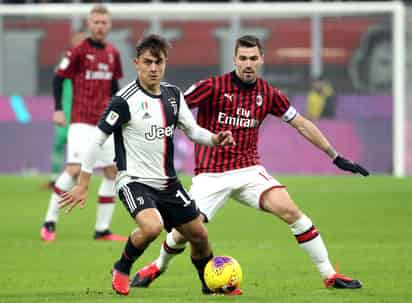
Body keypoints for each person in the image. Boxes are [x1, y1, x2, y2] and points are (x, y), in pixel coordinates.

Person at [131, 35, 369, 290]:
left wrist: (335, 156)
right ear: (234, 59)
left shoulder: (269, 94)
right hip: (211, 175)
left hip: (249, 171)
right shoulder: (212, 87)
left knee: (292, 212)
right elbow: (171, 108)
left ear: (261, 60)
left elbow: (301, 124)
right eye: (243, 58)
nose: (247, 64)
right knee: (185, 232)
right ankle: (158, 266)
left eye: (253, 58)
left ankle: (329, 275)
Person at [58, 34, 237, 296]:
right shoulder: (124, 99)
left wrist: (214, 138)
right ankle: (122, 266)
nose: (154, 68)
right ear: (137, 63)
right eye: (148, 62)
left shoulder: (173, 95)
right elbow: (97, 140)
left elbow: (193, 130)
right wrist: (83, 183)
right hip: (134, 181)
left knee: (199, 235)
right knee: (152, 227)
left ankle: (209, 284)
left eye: (159, 62)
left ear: (166, 63)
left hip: (168, 183)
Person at [40, 5, 126, 242]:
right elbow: (58, 78)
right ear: (89, 24)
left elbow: (113, 87)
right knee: (74, 170)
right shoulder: (78, 51)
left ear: (109, 25)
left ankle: (102, 230)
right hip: (81, 122)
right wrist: (58, 109)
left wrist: (120, 114)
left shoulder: (112, 53)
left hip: (104, 124)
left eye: (103, 22)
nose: (99, 26)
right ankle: (49, 221)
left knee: (111, 172)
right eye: (96, 22)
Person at [41, 31, 87, 190]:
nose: (80, 43)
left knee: (81, 147)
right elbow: (57, 83)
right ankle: (54, 179)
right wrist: (58, 109)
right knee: (60, 142)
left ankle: (77, 180)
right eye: (77, 40)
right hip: (66, 111)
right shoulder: (67, 61)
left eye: (83, 40)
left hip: (85, 113)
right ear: (73, 41)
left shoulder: (93, 62)